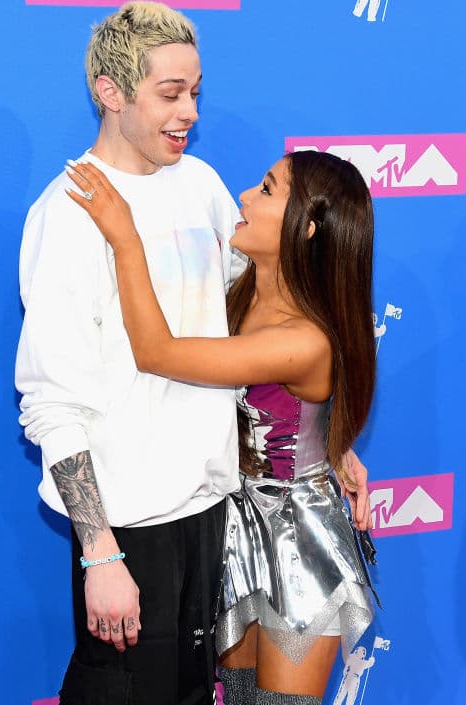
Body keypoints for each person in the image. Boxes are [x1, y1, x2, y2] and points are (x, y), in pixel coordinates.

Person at [15, 2, 371, 705]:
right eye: (169, 94)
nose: (188, 113)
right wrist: (101, 549)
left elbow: (259, 326)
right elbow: (51, 400)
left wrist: (329, 440)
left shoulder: (202, 184)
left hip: (217, 514)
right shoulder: (67, 212)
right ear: (109, 92)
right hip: (130, 529)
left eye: (196, 92)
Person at [65, 147, 378, 705]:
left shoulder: (302, 340)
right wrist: (338, 444)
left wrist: (126, 240)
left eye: (266, 190)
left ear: (305, 228)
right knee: (233, 697)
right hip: (231, 525)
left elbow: (157, 351)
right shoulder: (241, 289)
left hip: (297, 540)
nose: (244, 197)